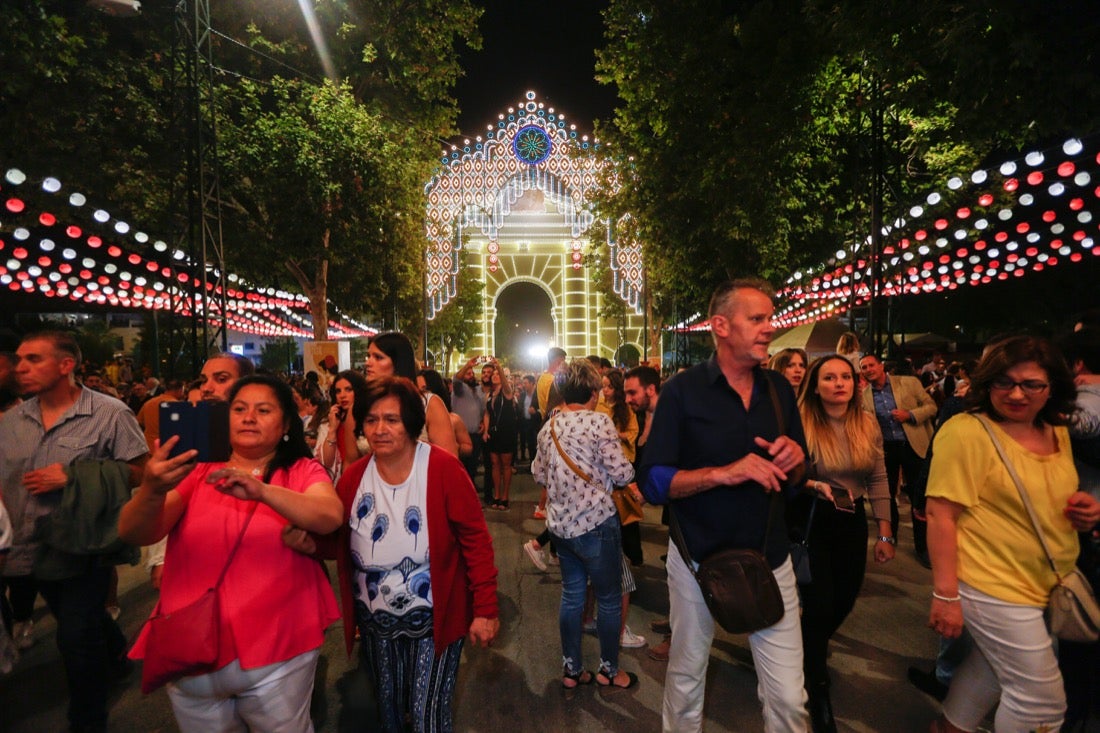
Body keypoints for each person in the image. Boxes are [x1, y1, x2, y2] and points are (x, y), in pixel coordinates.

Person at [119, 374, 344, 732]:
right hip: (192, 648)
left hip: (277, 648)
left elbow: (329, 515)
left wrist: (263, 491)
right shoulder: (200, 470)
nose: (248, 417)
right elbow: (136, 531)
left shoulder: (300, 470)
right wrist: (151, 488)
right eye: (239, 409)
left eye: (263, 410)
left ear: (286, 424)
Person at [641, 278, 810, 733]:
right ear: (720, 325)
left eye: (770, 318)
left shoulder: (778, 388)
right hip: (697, 558)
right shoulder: (682, 391)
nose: (769, 328)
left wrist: (796, 462)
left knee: (791, 699)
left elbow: (797, 479)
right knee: (686, 675)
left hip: (771, 559)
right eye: (757, 319)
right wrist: (724, 473)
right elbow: (653, 482)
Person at [292, 376, 499, 731]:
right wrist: (309, 542)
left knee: (426, 715)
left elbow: (476, 541)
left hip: (436, 621)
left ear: (412, 424)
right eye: (371, 420)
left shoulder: (442, 468)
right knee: (388, 709)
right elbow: (340, 541)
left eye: (392, 420)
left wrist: (485, 609)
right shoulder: (354, 477)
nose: (380, 429)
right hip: (376, 626)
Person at [925, 335, 1100, 733]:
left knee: (988, 670)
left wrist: (1083, 510)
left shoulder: (1056, 428)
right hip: (991, 582)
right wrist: (945, 595)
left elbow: (1047, 491)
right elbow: (940, 515)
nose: (1016, 394)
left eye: (1031, 384)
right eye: (1004, 382)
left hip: (1044, 578)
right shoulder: (968, 431)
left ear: (1052, 385)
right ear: (987, 384)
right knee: (1042, 703)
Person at [0, 331, 149, 733]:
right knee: (78, 618)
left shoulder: (110, 413)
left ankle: (87, 720)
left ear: (67, 365)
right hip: (26, 547)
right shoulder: (11, 422)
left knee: (74, 635)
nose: (21, 367)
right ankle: (118, 654)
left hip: (83, 545)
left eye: (33, 359)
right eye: (19, 359)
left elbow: (140, 471)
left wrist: (74, 476)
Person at [793, 356, 894, 732]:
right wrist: (813, 484)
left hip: (852, 521)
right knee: (819, 604)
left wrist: (885, 533)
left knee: (844, 599)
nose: (840, 383)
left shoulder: (866, 422)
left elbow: (879, 478)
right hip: (814, 518)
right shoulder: (800, 422)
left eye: (846, 377)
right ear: (815, 385)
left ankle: (805, 648)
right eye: (829, 377)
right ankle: (817, 687)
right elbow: (786, 476)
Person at [532, 359, 637, 690]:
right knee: (607, 597)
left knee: (572, 596)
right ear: (593, 392)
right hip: (597, 523)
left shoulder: (548, 428)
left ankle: (572, 670)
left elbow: (538, 473)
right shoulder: (599, 423)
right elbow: (622, 473)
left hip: (562, 529)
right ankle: (608, 670)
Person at [859, 353, 936, 560]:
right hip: (886, 449)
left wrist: (909, 415)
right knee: (887, 493)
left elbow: (931, 407)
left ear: (881, 365)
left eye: (871, 365)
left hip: (914, 445)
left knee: (918, 497)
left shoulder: (908, 383)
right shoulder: (865, 396)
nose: (868, 370)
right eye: (864, 367)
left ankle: (923, 546)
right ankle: (889, 536)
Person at [367, 332, 459, 458]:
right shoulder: (363, 403)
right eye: (368, 356)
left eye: (378, 357)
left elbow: (449, 462)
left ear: (398, 362)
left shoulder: (429, 404)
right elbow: (350, 460)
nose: (368, 363)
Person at [317, 369, 370, 479]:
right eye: (338, 391)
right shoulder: (328, 422)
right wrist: (332, 430)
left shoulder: (370, 419)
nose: (342, 395)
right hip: (339, 482)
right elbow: (326, 462)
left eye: (348, 389)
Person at [482, 360, 517, 510]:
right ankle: (496, 495)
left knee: (506, 465)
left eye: (498, 374)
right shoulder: (489, 394)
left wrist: (499, 368)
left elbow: (505, 382)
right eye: (494, 374)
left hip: (506, 431)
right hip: (493, 433)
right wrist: (485, 431)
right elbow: (487, 414)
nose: (495, 376)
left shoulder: (507, 391)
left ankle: (505, 496)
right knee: (495, 464)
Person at [417, 369, 474, 459]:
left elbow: (468, 447)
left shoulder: (453, 418)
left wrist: (455, 446)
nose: (421, 396)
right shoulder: (414, 418)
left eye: (424, 391)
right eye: (417, 390)